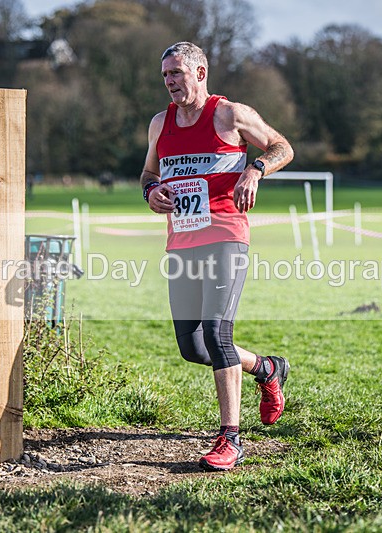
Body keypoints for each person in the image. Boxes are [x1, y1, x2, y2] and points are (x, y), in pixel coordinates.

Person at [139, 42, 294, 471]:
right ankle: (267, 369)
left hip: (226, 234)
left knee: (218, 333)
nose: (170, 82)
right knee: (193, 347)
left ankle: (231, 439)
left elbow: (282, 146)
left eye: (177, 73)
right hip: (181, 242)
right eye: (165, 75)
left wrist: (254, 169)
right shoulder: (159, 124)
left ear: (200, 72)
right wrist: (152, 191)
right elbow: (149, 173)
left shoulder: (230, 115)